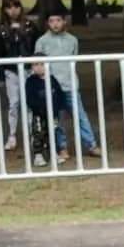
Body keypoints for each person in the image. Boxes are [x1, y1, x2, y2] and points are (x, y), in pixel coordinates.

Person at [34, 9, 101, 157]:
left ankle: (91, 144)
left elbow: (74, 59)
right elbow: (38, 64)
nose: (55, 24)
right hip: (52, 87)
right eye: (51, 21)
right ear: (47, 23)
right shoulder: (42, 41)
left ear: (64, 21)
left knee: (80, 116)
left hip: (70, 85)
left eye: (58, 20)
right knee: (58, 119)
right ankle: (62, 147)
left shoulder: (72, 40)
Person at [0, 0, 36, 152]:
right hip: (11, 70)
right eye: (9, 7)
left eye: (16, 6)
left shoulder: (30, 26)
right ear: (4, 10)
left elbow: (36, 48)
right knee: (13, 103)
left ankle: (33, 134)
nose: (13, 10)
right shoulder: (0, 29)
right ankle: (12, 135)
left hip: (29, 69)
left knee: (30, 103)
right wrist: (0, 76)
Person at [24, 60, 74, 163]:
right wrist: (37, 108)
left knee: (52, 133)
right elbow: (29, 98)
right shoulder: (30, 81)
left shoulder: (52, 79)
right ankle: (38, 155)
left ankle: (53, 153)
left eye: (42, 64)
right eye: (36, 64)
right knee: (38, 133)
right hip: (38, 114)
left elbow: (59, 94)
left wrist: (59, 109)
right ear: (32, 66)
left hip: (52, 113)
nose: (39, 67)